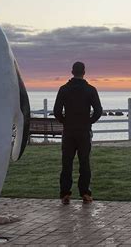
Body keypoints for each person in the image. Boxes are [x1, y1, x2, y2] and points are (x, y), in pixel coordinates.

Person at [53, 62, 103, 205]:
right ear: (84, 72)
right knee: (84, 162)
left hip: (69, 131)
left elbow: (57, 111)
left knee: (66, 163)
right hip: (83, 131)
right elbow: (98, 110)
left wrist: (65, 121)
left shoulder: (63, 89)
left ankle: (65, 194)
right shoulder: (90, 90)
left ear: (72, 72)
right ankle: (85, 193)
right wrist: (89, 122)